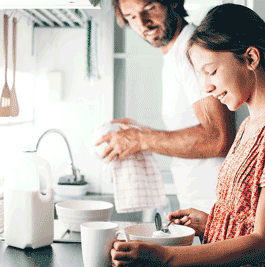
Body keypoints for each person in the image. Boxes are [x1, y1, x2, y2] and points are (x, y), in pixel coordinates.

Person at [110, 3, 265, 266]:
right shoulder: (249, 127)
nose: (206, 87)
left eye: (211, 72)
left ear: (251, 58)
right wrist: (210, 224)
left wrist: (166, 256)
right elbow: (249, 225)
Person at [96, 0, 236, 214]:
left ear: (173, 2)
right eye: (131, 17)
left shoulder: (192, 50)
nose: (143, 24)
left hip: (218, 207)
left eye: (149, 8)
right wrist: (144, 133)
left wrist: (141, 139)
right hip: (202, 207)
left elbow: (218, 138)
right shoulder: (175, 54)